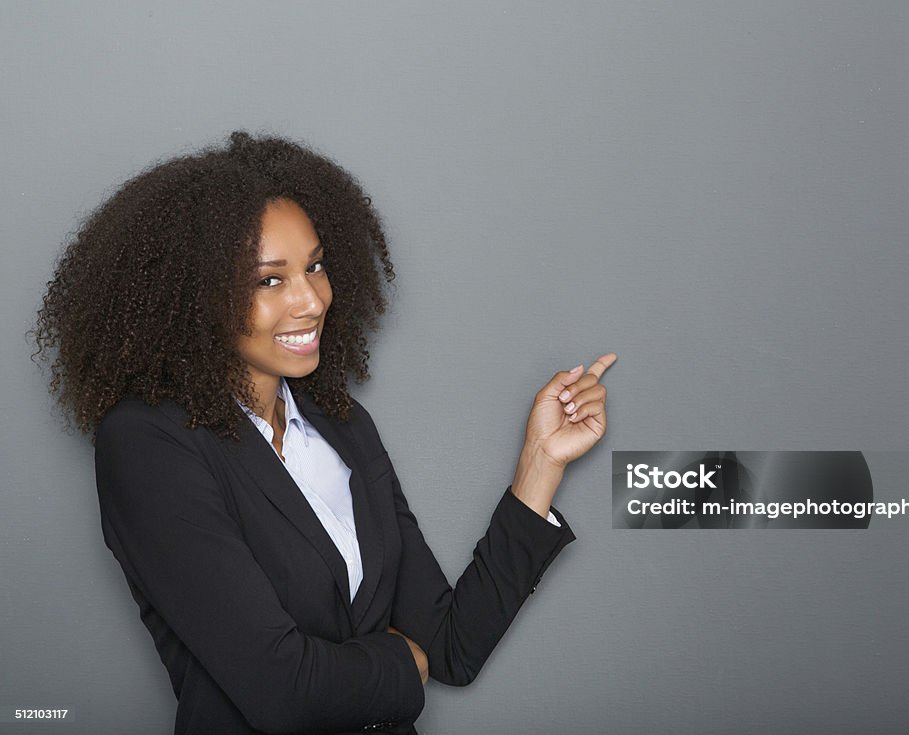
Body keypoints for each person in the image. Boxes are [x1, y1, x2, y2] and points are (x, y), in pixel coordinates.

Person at [33, 131, 615, 734]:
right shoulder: (149, 444)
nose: (311, 300)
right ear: (194, 297)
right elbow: (281, 691)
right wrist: (402, 662)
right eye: (269, 280)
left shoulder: (343, 426)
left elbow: (452, 646)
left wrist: (540, 463)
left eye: (314, 266)